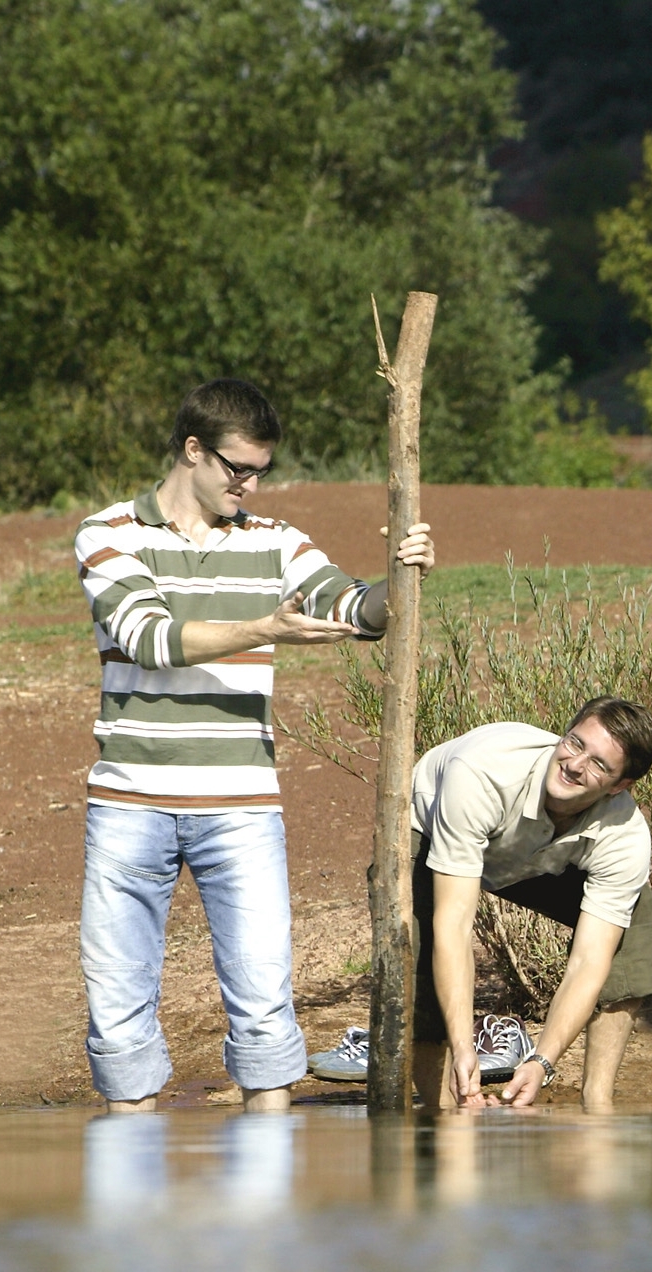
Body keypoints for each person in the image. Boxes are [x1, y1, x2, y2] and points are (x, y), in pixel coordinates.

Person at [77, 378, 435, 1112]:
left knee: (265, 1010)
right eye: (237, 468)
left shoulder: (277, 543)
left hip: (241, 807)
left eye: (261, 471)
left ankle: (263, 1205)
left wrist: (398, 582)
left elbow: (349, 604)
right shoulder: (107, 533)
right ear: (192, 450)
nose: (249, 484)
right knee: (118, 1015)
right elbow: (150, 637)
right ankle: (126, 1208)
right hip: (128, 804)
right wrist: (263, 630)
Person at [400, 699, 652, 1111]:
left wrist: (542, 1060)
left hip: (536, 860)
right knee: (418, 946)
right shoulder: (481, 773)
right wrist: (464, 1044)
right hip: (433, 832)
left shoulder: (625, 836)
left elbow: (589, 962)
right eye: (575, 743)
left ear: (619, 786)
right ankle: (449, 1107)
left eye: (599, 765)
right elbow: (454, 926)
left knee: (632, 922)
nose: (575, 765)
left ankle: (598, 1105)